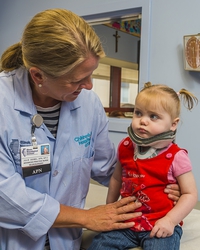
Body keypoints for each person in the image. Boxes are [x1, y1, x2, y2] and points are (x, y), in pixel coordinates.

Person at [0, 9, 180, 250]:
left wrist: (155, 183)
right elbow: (6, 197)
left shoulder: (88, 103)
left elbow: (106, 167)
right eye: (77, 80)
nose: (89, 85)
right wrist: (85, 217)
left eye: (92, 74)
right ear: (38, 75)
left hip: (65, 241)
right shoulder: (4, 103)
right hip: (15, 241)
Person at [88, 82, 198, 250]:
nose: (143, 121)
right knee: (99, 245)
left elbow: (190, 194)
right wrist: (109, 209)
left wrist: (170, 221)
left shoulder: (176, 156)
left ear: (173, 124)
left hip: (159, 224)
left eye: (153, 116)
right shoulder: (125, 146)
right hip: (126, 222)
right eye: (138, 113)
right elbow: (117, 178)